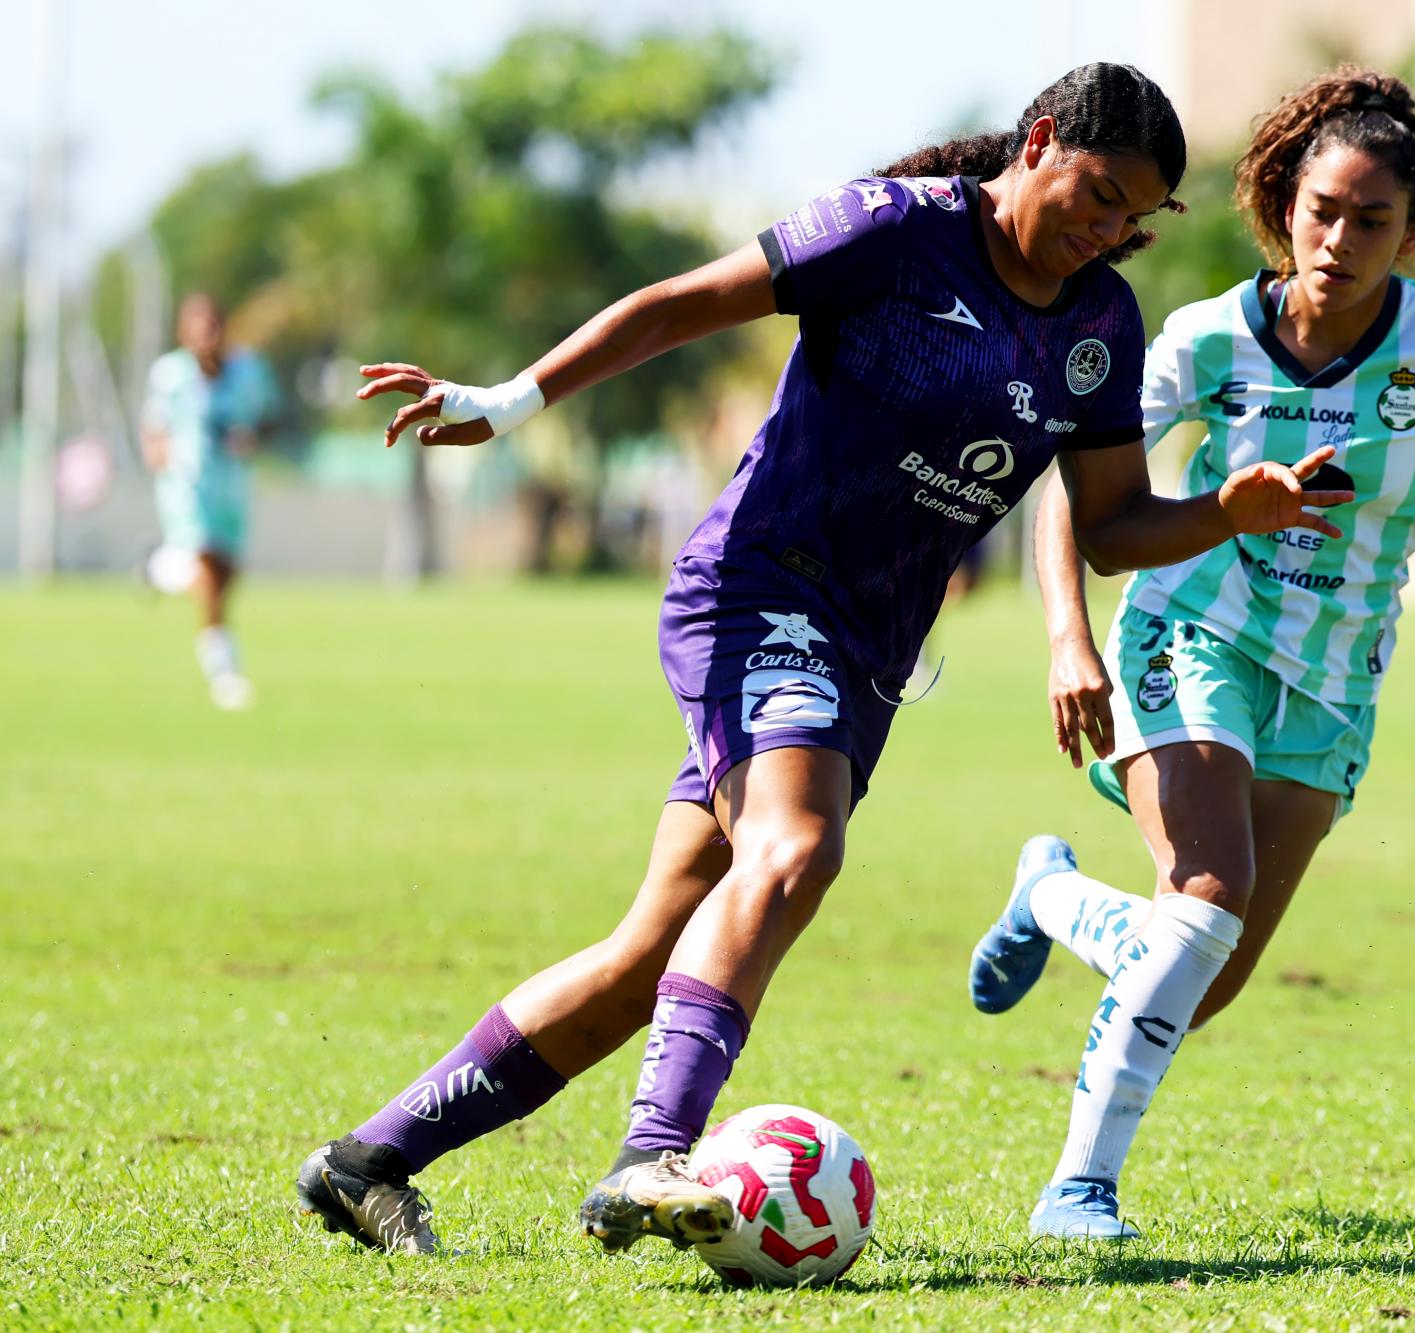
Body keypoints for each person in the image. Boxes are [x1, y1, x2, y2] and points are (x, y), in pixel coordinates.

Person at [294, 63, 1357, 1258]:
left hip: (865, 653)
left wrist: (1226, 506)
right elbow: (680, 302)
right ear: (1043, 140)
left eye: (1133, 218)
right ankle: (651, 1155)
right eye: (1098, 194)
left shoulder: (1099, 324)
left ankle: (367, 1157)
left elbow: (1110, 527)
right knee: (797, 849)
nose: (1107, 232)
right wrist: (514, 397)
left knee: (657, 950)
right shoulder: (894, 233)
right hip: (757, 594)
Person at [967, 67, 1415, 1239]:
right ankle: (1077, 1189)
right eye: (1320, 210)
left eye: (1370, 221)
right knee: (1206, 896)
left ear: (1411, 233)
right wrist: (1067, 637)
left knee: (1202, 974)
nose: (1337, 239)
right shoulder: (1204, 340)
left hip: (1332, 681)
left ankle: (1054, 894)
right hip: (1190, 630)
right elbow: (1074, 488)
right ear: (1288, 207)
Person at [139, 293, 280, 710]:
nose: (205, 337)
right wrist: (159, 453)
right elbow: (154, 426)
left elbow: (273, 418)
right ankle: (225, 674)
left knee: (225, 574)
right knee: (208, 576)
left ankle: (156, 568)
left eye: (212, 327)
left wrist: (253, 438)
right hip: (187, 489)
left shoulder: (250, 371)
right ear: (184, 333)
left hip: (231, 489)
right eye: (197, 329)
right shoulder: (170, 375)